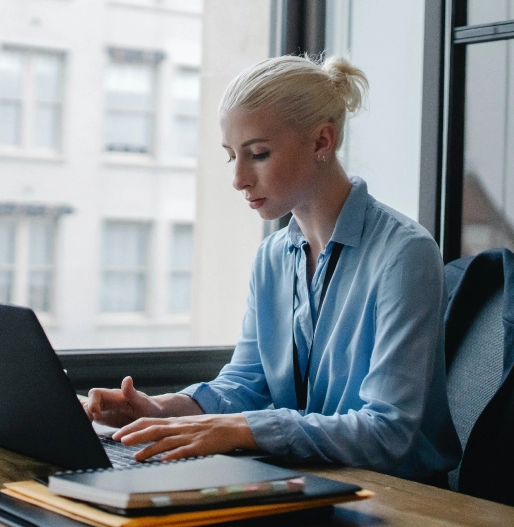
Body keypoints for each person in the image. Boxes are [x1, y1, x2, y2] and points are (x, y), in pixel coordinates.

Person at [85, 55, 461, 482]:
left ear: (322, 142)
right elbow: (247, 383)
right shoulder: (272, 257)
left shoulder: (405, 254)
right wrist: (162, 410)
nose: (239, 179)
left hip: (399, 499)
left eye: (258, 154)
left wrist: (242, 430)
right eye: (232, 157)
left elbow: (386, 433)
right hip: (306, 480)